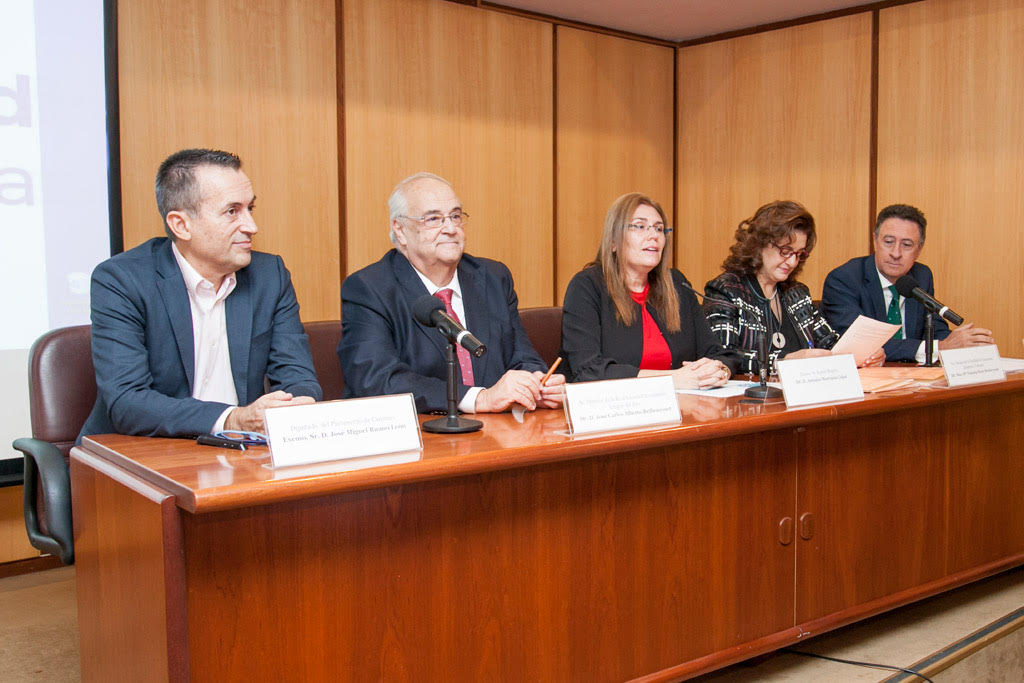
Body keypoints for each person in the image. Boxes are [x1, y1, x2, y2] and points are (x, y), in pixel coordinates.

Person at [79, 149, 322, 440]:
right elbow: (128, 402)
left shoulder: (270, 275)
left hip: (241, 454)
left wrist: (297, 405)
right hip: (143, 452)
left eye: (250, 209)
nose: (251, 227)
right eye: (232, 211)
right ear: (181, 225)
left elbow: (297, 374)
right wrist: (233, 419)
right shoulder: (122, 280)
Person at [339, 172, 564, 413]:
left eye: (455, 216)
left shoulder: (492, 278)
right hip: (423, 435)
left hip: (499, 432)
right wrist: (478, 399)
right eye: (433, 219)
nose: (450, 228)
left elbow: (521, 355)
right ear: (401, 230)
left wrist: (536, 382)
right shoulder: (369, 288)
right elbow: (377, 380)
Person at [560, 192, 739, 387]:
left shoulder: (676, 284)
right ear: (613, 241)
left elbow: (718, 353)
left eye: (659, 228)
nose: (653, 235)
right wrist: (673, 379)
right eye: (640, 226)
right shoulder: (587, 286)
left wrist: (719, 371)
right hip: (617, 409)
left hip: (683, 406)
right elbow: (588, 370)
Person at [703, 200, 880, 375]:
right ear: (759, 244)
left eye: (799, 254)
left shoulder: (797, 294)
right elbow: (723, 357)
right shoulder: (726, 290)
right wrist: (782, 363)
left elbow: (831, 343)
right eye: (786, 251)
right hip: (750, 399)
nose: (793, 261)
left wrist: (862, 353)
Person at [821, 203, 993, 362]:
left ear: (919, 249)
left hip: (913, 379)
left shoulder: (922, 276)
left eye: (907, 245)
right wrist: (940, 347)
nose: (896, 253)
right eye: (888, 242)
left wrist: (961, 344)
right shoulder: (844, 279)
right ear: (875, 240)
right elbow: (859, 345)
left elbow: (936, 330)